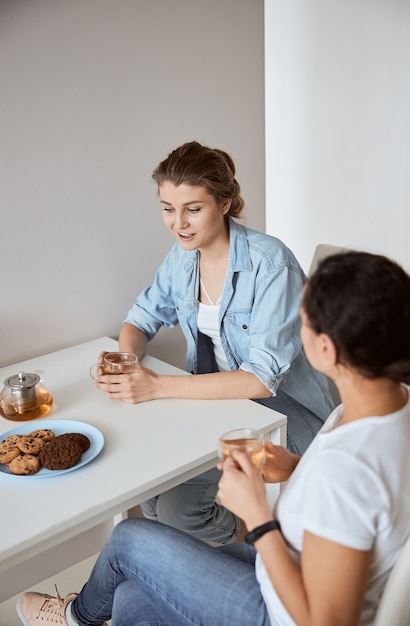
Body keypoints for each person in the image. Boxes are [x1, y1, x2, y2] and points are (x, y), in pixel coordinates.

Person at [17, 251, 410, 626]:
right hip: (292, 568)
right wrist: (298, 467)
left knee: (127, 540)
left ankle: (75, 618)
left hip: (282, 609)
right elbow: (360, 501)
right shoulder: (386, 407)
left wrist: (256, 515)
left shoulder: (347, 470)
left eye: (301, 321)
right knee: (129, 601)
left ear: (326, 349)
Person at [93, 141, 334, 544]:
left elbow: (260, 380)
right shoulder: (183, 256)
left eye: (193, 208)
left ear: (225, 204)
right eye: (168, 209)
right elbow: (140, 318)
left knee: (174, 508)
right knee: (150, 490)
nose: (178, 223)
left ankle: (254, 544)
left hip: (285, 419)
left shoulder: (271, 264)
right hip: (217, 406)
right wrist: (125, 361)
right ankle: (193, 561)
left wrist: (155, 386)